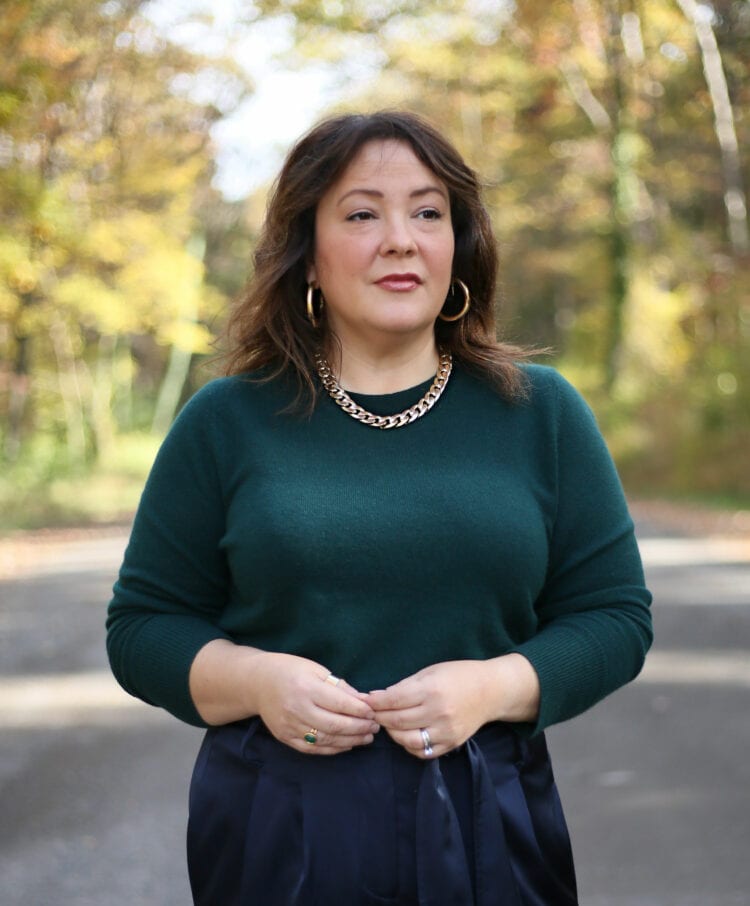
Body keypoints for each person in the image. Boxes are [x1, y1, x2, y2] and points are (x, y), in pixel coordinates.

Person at [106, 110, 653, 906]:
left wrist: (493, 687)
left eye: (428, 213)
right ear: (309, 255)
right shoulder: (227, 421)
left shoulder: (540, 412)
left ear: (458, 247)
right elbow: (144, 627)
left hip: (487, 819)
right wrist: (259, 681)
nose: (401, 238)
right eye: (362, 213)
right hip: (277, 826)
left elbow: (614, 617)